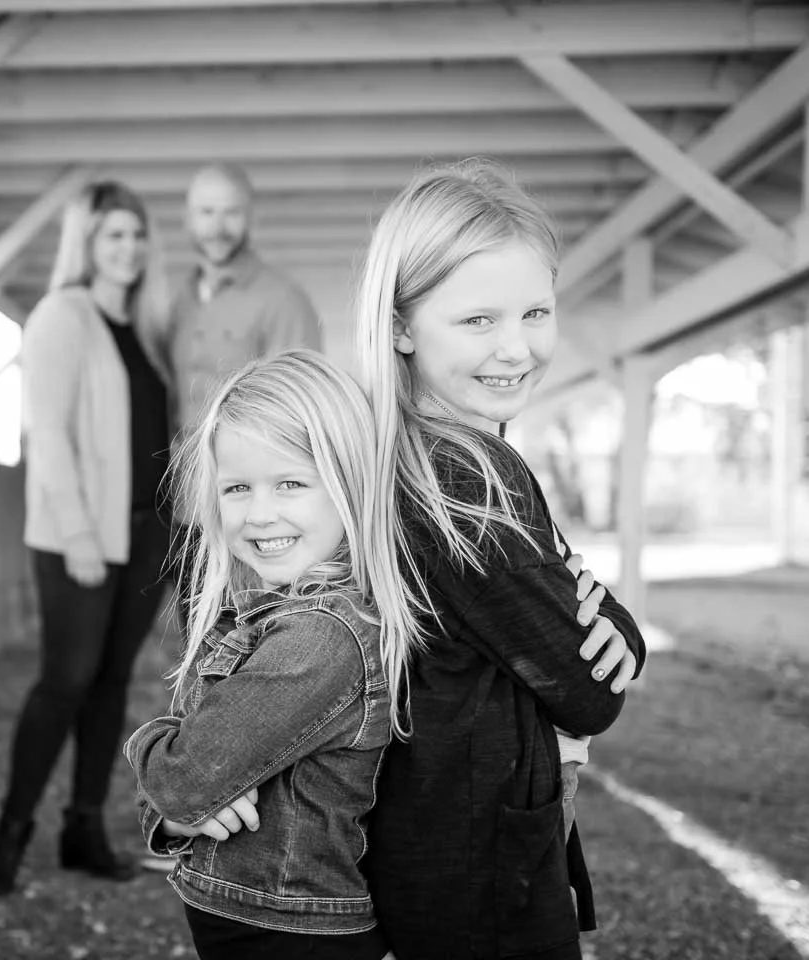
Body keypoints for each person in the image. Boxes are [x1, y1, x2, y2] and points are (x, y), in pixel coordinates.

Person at [355, 159, 648, 959]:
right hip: (473, 862)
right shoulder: (462, 479)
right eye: (478, 320)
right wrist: (613, 620)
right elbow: (590, 690)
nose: (516, 348)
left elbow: (554, 599)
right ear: (402, 325)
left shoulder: (419, 452)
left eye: (535, 311)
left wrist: (593, 604)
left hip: (446, 840)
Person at [125, 351, 394, 960]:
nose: (260, 513)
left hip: (290, 934)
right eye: (238, 488)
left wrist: (147, 747)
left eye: (291, 483)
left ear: (351, 481)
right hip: (262, 923)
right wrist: (173, 810)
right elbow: (183, 801)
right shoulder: (274, 611)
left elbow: (186, 781)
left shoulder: (320, 638)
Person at [0, 180, 174, 897]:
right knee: (64, 683)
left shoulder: (147, 329)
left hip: (147, 537)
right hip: (78, 539)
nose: (128, 247)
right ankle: (7, 841)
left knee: (112, 685)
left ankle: (83, 830)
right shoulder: (62, 316)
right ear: (86, 243)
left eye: (136, 233)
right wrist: (82, 533)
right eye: (112, 234)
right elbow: (48, 435)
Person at [167, 162, 324, 436]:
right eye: (206, 212)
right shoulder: (181, 301)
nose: (218, 227)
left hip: (244, 471)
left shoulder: (283, 300)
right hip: (183, 472)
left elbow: (299, 408)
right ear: (187, 219)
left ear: (251, 219)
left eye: (232, 213)